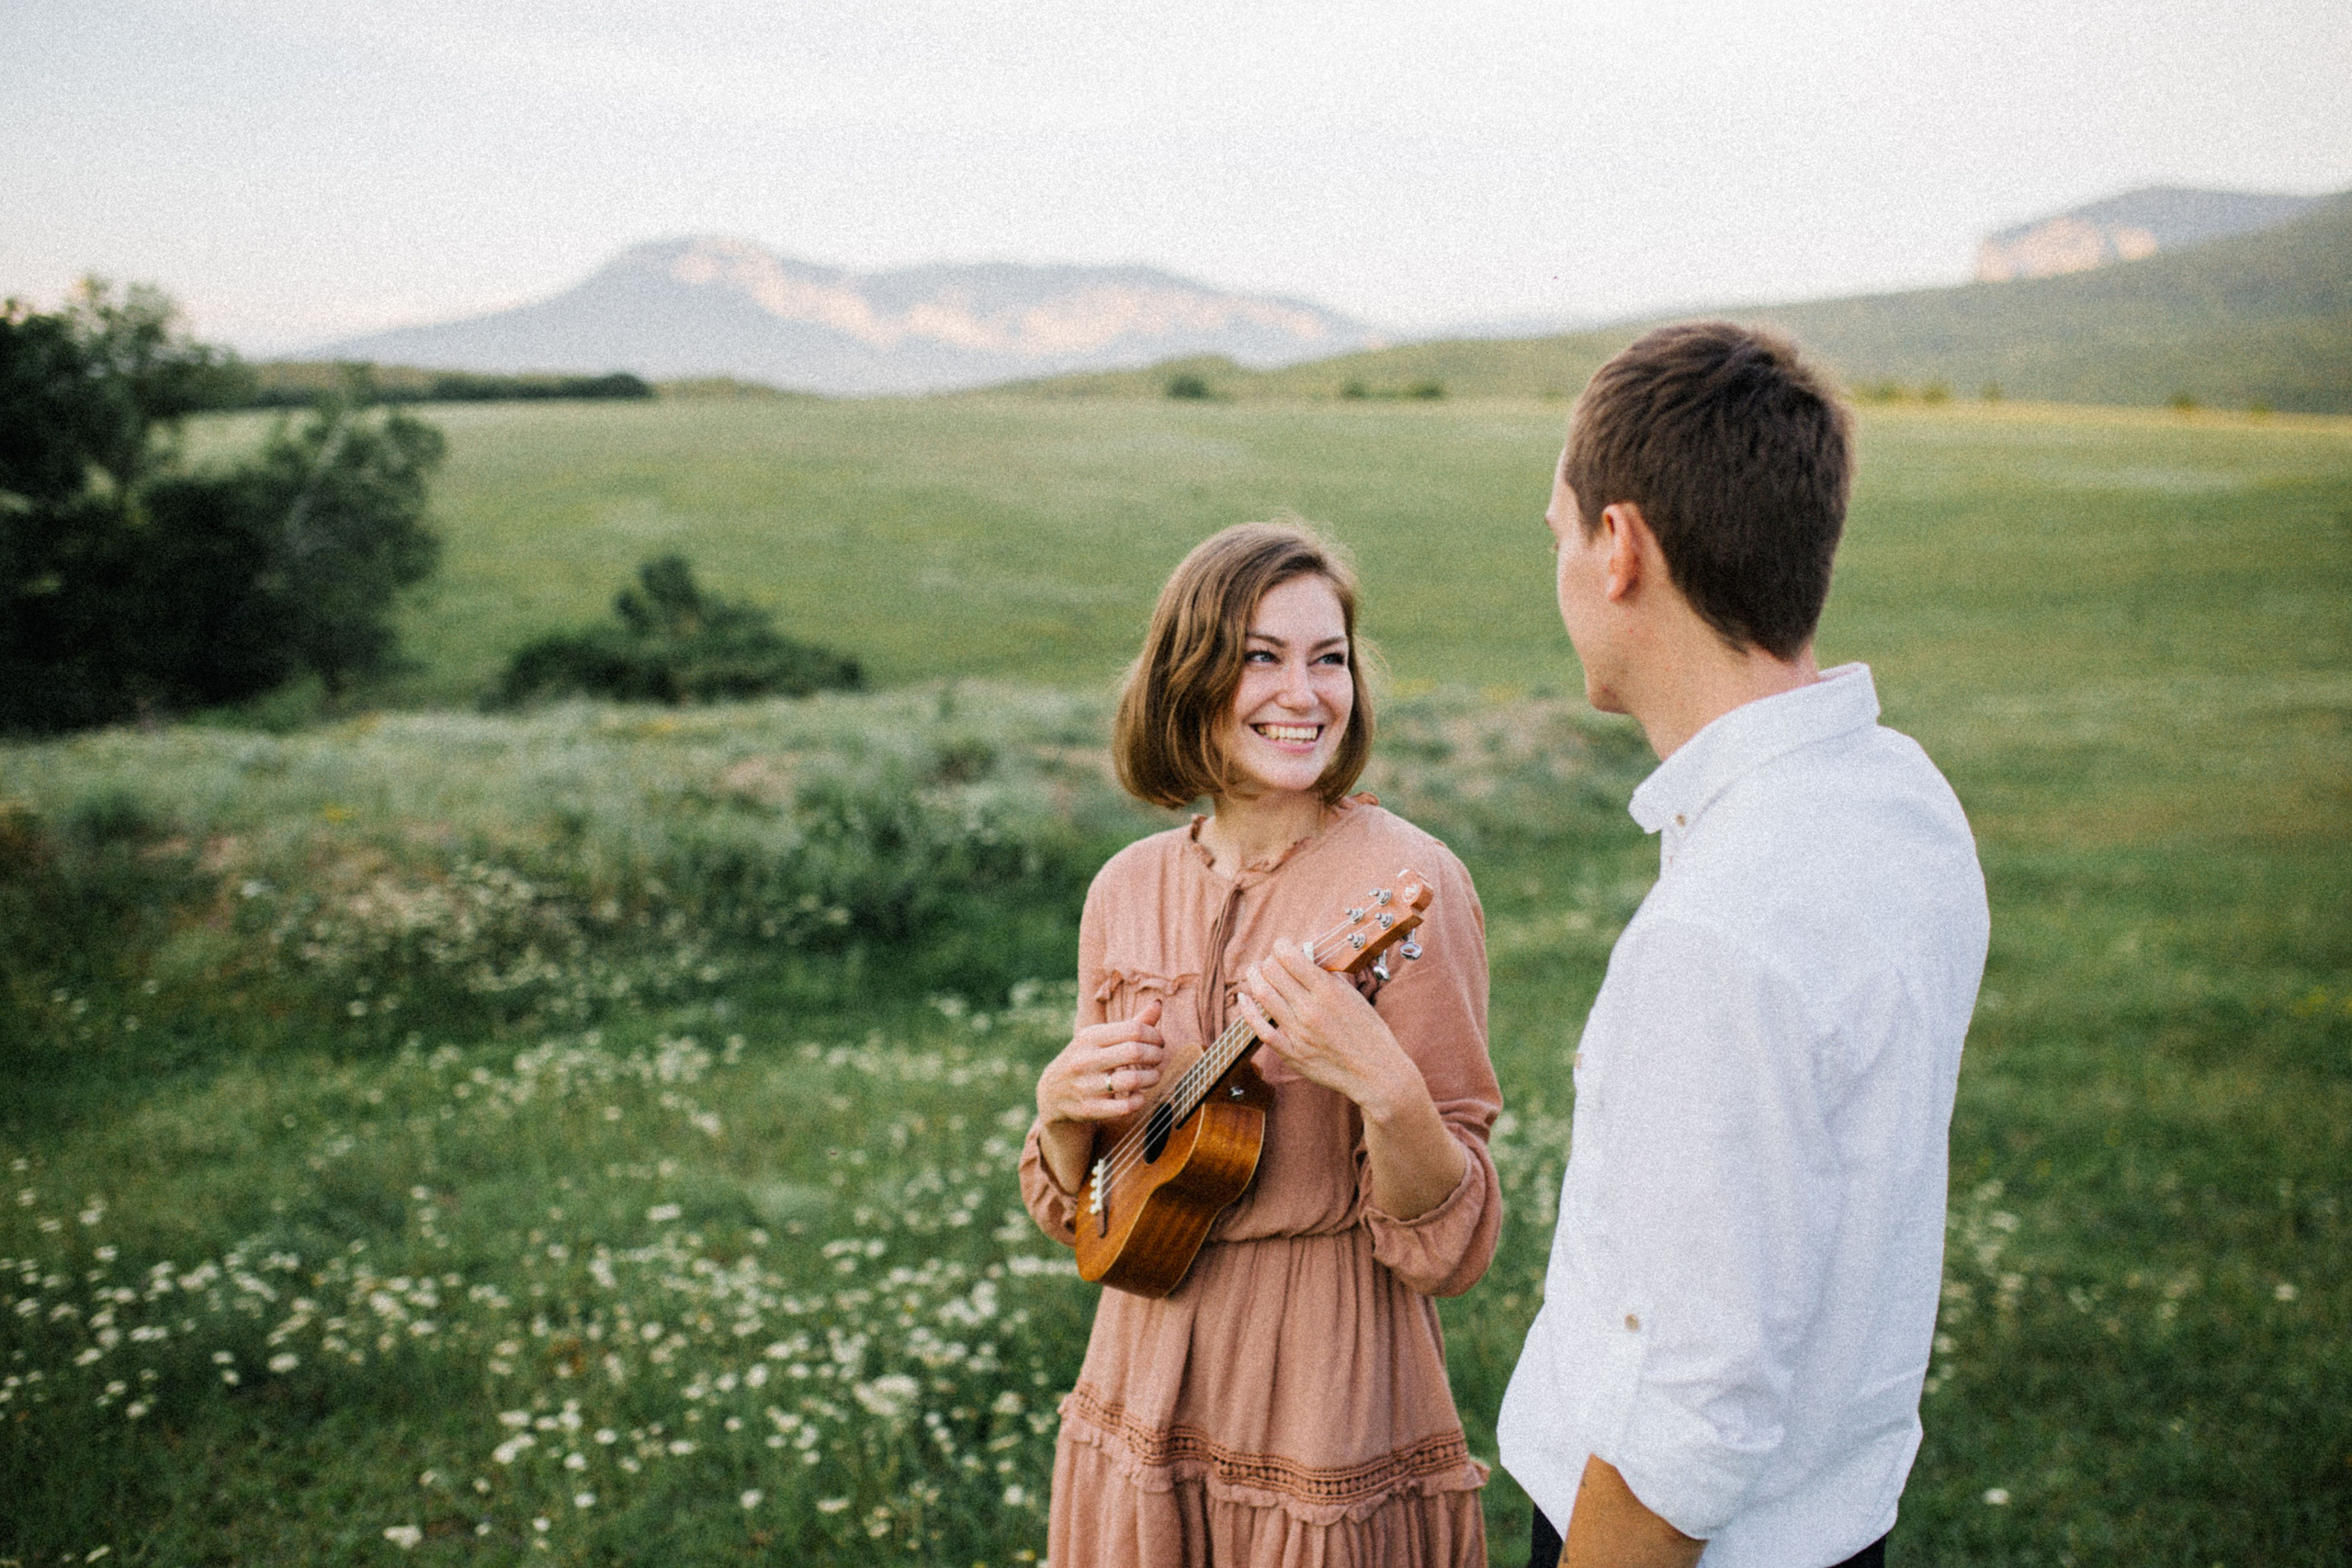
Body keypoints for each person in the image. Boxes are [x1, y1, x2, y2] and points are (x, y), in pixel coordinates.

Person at [1497, 322, 1990, 1568]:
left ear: (1621, 549)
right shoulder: (1902, 795)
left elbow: (1685, 1420)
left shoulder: (1718, 929)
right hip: (1835, 1520)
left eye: (1559, 529)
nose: (1556, 562)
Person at [1021, 521, 1504, 1567]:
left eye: (1326, 658)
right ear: (1186, 680)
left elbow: (1449, 1242)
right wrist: (1060, 1116)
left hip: (1320, 1377)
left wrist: (1386, 1087)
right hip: (1141, 1362)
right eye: (1260, 658)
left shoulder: (1408, 884)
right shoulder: (1126, 887)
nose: (1304, 694)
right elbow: (1091, 1209)